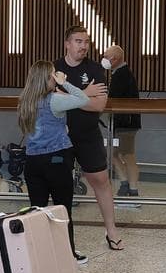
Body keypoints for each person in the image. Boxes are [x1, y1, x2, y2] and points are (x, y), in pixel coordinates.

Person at [54, 26, 123, 251]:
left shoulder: (94, 69)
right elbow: (47, 99)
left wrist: (67, 95)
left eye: (86, 42)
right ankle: (62, 238)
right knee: (60, 186)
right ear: (67, 43)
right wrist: (86, 93)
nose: (83, 46)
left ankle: (111, 230)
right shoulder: (54, 68)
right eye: (78, 41)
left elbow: (99, 105)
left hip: (87, 135)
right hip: (59, 135)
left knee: (101, 180)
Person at [18, 61, 89, 263]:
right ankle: (68, 254)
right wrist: (64, 83)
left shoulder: (25, 101)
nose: (55, 77)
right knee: (62, 209)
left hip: (32, 161)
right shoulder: (54, 100)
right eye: (52, 75)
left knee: (37, 210)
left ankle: (38, 255)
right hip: (56, 159)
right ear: (47, 78)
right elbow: (82, 99)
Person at [104, 45, 142, 197]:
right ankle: (125, 183)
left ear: (115, 58)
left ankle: (133, 189)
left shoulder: (122, 74)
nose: (104, 59)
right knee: (113, 154)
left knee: (128, 155)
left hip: (127, 123)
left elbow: (112, 99)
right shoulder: (118, 74)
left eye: (107, 56)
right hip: (120, 123)